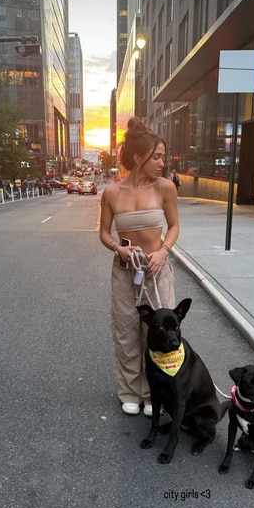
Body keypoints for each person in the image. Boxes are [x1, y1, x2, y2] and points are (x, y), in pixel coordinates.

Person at [100, 117, 179, 416]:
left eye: (163, 157)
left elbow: (173, 227)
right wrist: (117, 247)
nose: (162, 163)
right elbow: (104, 233)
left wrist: (163, 251)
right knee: (126, 332)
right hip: (124, 272)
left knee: (157, 334)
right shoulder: (111, 193)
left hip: (157, 273)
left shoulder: (165, 188)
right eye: (157, 157)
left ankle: (153, 392)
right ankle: (130, 391)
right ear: (138, 157)